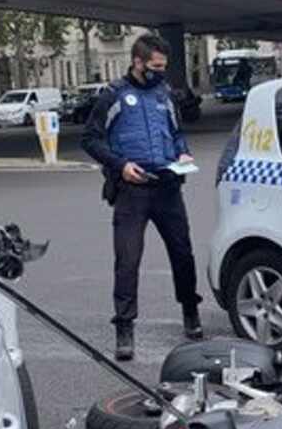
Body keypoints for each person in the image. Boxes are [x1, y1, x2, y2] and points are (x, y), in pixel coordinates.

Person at [82, 32, 202, 361]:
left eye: (164, 66)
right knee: (127, 261)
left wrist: (184, 154)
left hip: (167, 186)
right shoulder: (113, 96)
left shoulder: (165, 95)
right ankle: (124, 327)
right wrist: (120, 166)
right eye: (156, 66)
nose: (161, 72)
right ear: (137, 62)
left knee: (183, 253)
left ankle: (190, 312)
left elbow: (177, 134)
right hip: (131, 190)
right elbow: (91, 140)